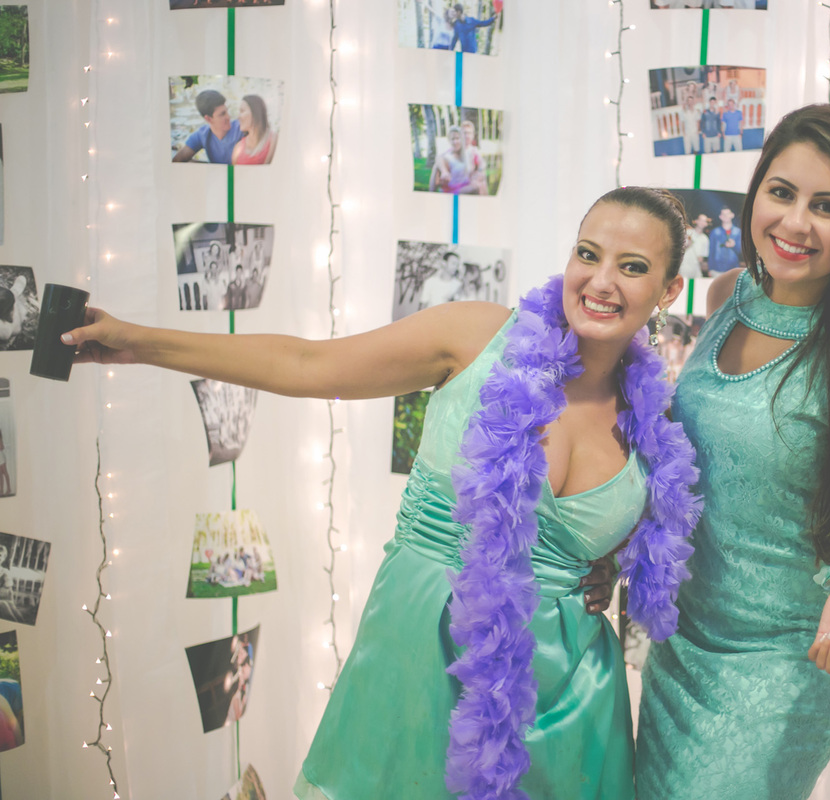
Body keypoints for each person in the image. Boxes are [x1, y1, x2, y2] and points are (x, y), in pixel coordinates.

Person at [63, 187, 701, 800]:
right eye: (588, 254)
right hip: (416, 666)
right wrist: (140, 343)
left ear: (670, 290)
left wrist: (608, 563)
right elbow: (308, 365)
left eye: (632, 267)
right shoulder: (479, 338)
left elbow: (635, 542)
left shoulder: (656, 428)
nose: (600, 281)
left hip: (567, 709)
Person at [636, 105, 830, 799]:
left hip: (791, 659)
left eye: (826, 206)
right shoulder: (726, 295)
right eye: (782, 192)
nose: (796, 223)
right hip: (682, 646)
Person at [173, 89, 245, 164]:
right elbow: (177, 160)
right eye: (222, 114)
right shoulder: (203, 135)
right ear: (208, 119)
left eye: (227, 111)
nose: (228, 117)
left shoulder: (242, 128)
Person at [429, 125, 479, 194]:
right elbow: (439, 158)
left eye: (457, 138)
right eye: (452, 139)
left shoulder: (468, 153)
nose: (455, 141)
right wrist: (444, 172)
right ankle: (431, 195)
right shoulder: (447, 156)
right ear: (449, 141)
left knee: (477, 186)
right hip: (452, 190)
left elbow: (474, 170)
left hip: (464, 186)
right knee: (436, 167)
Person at [231, 94, 277, 166]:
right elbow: (232, 172)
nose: (238, 117)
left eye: (242, 111)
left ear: (255, 112)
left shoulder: (273, 140)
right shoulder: (238, 148)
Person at [706, 206, 741, 274]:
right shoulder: (715, 232)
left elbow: (742, 251)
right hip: (716, 269)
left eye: (728, 214)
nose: (725, 216)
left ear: (732, 215)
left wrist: (734, 245)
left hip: (733, 269)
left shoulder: (738, 232)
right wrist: (710, 268)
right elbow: (711, 251)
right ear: (720, 217)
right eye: (723, 214)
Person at [679, 213, 710, 279]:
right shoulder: (688, 232)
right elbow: (679, 249)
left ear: (706, 224)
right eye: (701, 220)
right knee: (684, 283)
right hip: (684, 266)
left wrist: (701, 260)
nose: (702, 222)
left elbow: (703, 256)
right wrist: (687, 245)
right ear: (696, 221)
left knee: (695, 284)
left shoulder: (705, 238)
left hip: (696, 268)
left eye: (704, 221)